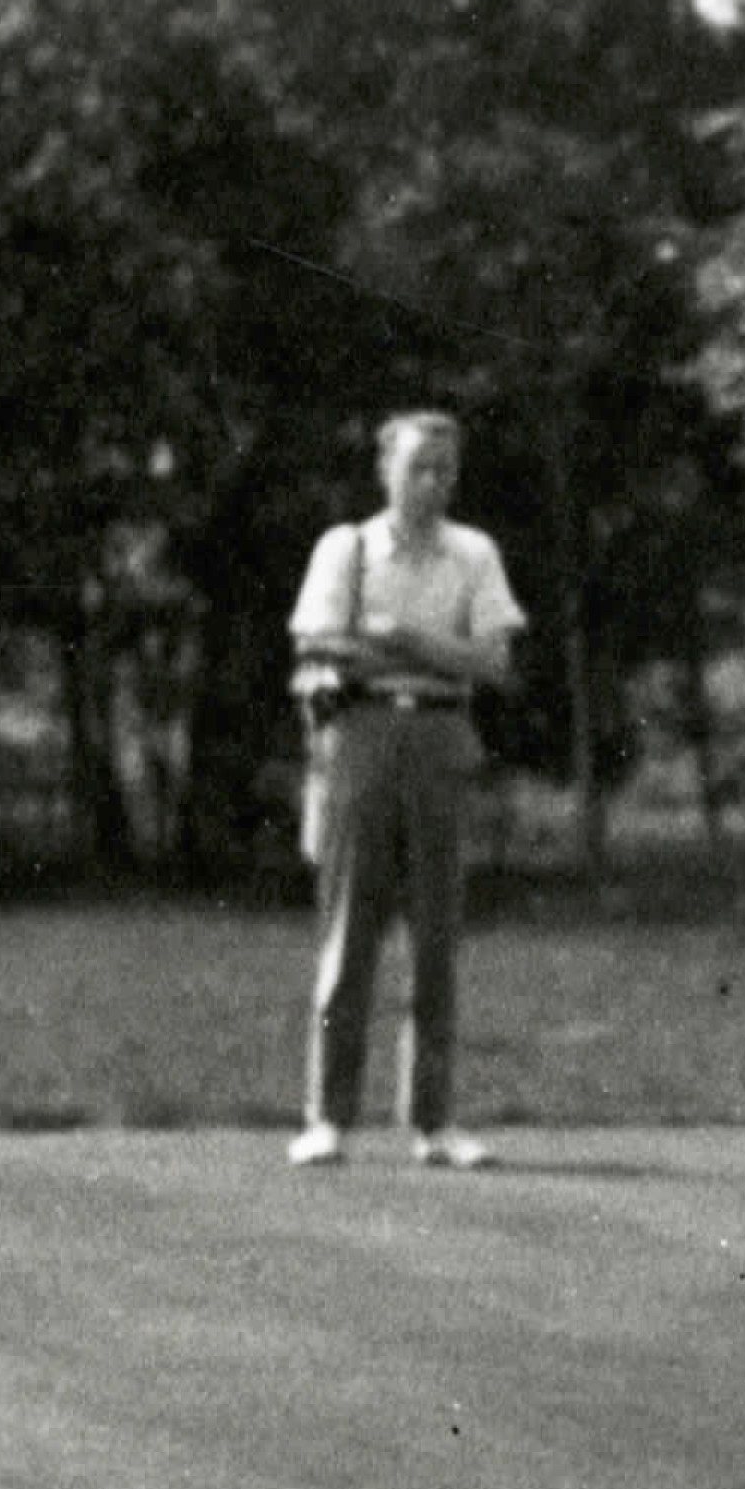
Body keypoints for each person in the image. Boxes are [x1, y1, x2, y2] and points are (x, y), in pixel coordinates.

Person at [284, 410, 526, 1170]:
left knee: (436, 938)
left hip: (441, 734)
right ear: (385, 469)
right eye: (418, 467)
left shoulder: (473, 553)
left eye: (445, 470)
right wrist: (426, 651)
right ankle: (327, 1117)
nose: (432, 483)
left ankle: (434, 1120)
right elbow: (319, 641)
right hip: (360, 734)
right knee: (348, 931)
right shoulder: (347, 548)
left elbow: (494, 662)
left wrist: (408, 641)